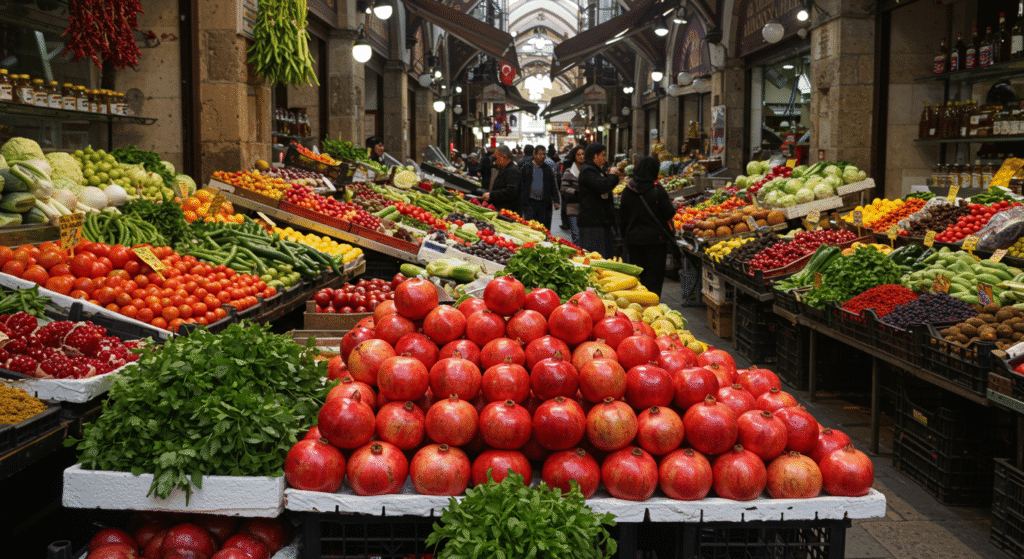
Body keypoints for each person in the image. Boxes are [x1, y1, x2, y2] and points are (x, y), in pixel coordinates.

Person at [619, 156, 676, 297]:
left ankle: (639, 301)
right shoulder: (657, 190)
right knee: (654, 277)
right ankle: (652, 302)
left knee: (639, 275)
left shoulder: (628, 189)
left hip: (634, 240)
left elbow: (622, 217)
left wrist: (625, 236)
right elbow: (669, 212)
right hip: (655, 241)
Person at [577, 143, 621, 258]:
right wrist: (613, 176)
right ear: (595, 156)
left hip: (600, 221)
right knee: (596, 256)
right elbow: (603, 186)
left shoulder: (596, 170)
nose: (605, 158)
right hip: (592, 223)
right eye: (603, 155)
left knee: (604, 255)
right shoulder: (588, 171)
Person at [520, 144, 558, 230]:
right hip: (530, 203)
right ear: (534, 154)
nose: (543, 156)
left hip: (544, 203)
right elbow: (521, 185)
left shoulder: (547, 169)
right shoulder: (527, 168)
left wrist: (556, 201)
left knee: (543, 227)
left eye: (544, 154)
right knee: (530, 227)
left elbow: (553, 185)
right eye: (540, 154)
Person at [481, 145, 521, 213]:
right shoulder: (504, 169)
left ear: (504, 157)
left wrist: (491, 195)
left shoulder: (512, 170)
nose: (495, 162)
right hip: (501, 209)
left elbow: (510, 191)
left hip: (507, 212)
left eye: (496, 159)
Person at [559, 146, 585, 245]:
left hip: (585, 209)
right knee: (576, 236)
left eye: (583, 154)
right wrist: (576, 192)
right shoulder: (569, 172)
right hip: (573, 208)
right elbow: (563, 188)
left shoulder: (588, 171)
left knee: (584, 237)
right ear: (574, 156)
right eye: (579, 154)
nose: (581, 156)